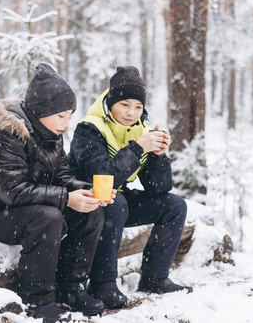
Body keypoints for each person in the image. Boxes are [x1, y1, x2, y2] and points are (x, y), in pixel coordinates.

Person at [0, 63, 115, 322]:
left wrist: (85, 191)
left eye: (69, 115)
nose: (66, 123)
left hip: (26, 207)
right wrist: (67, 199)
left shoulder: (51, 134)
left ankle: (70, 289)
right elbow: (12, 191)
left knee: (91, 212)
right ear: (41, 110)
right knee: (49, 218)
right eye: (61, 115)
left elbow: (63, 176)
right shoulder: (6, 134)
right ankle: (37, 301)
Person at [68, 66, 193, 310]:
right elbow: (102, 177)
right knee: (116, 201)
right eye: (124, 104)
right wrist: (137, 148)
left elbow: (159, 188)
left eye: (138, 106)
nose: (131, 113)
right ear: (111, 102)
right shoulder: (89, 128)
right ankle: (102, 284)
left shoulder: (141, 130)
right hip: (82, 203)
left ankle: (155, 278)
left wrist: (158, 156)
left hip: (115, 202)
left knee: (174, 205)